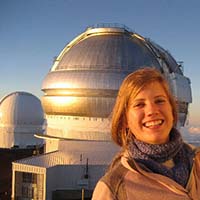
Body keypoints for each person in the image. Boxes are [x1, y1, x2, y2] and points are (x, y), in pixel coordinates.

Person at [92, 67, 200, 200]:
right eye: (139, 104)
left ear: (172, 110)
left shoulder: (196, 162)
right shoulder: (114, 189)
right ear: (125, 120)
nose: (152, 111)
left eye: (159, 101)